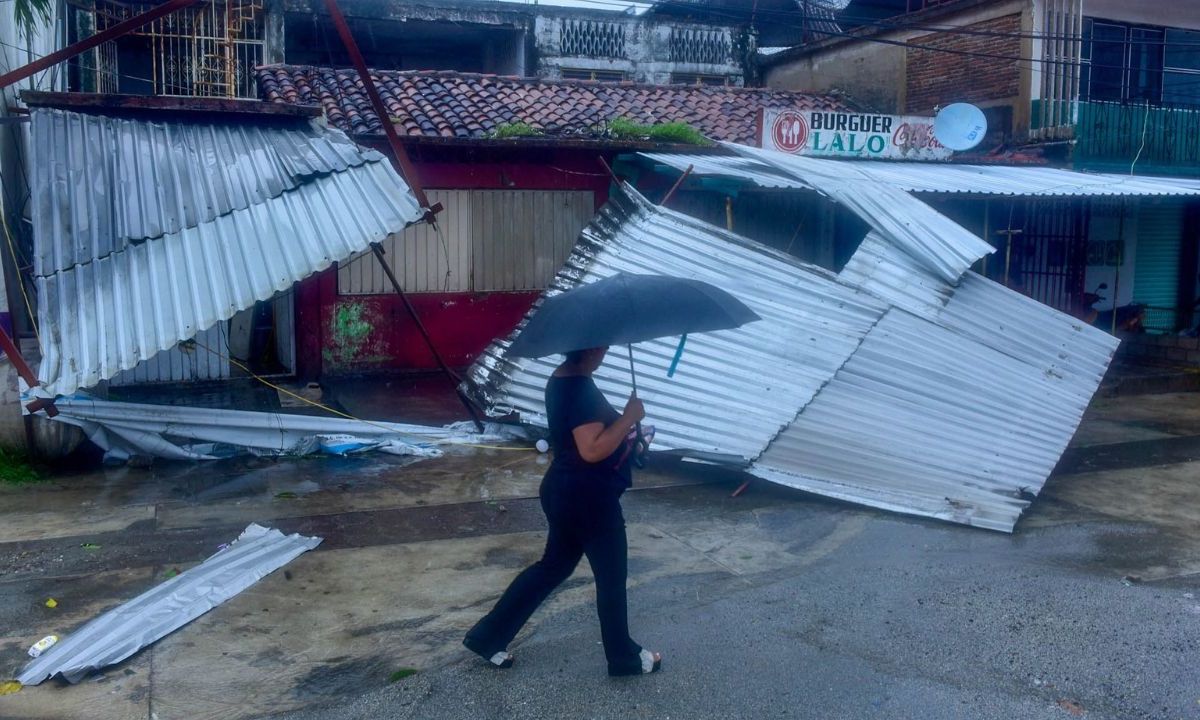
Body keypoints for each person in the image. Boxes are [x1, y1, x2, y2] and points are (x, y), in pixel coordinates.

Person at [463, 346, 663, 677]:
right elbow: (592, 449)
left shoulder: (562, 379)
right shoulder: (579, 388)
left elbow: (589, 438)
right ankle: (623, 657)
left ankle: (487, 636)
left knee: (552, 567)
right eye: (603, 345)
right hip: (589, 499)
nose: (607, 351)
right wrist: (629, 417)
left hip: (565, 491)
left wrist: (629, 436)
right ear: (589, 349)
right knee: (611, 577)